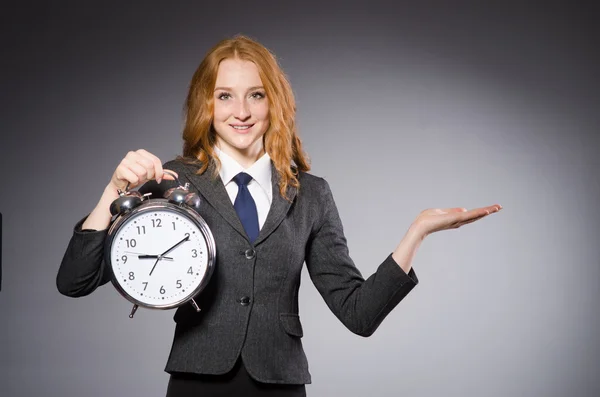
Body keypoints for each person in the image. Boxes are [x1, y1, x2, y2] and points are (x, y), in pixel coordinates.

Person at [56, 35, 502, 396]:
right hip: (197, 381)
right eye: (225, 96)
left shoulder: (311, 194)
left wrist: (417, 232)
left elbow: (358, 314)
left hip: (280, 383)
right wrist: (113, 190)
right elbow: (74, 282)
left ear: (276, 102)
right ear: (206, 105)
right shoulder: (173, 180)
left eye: (256, 95)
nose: (242, 112)